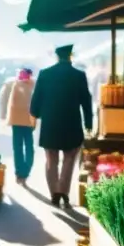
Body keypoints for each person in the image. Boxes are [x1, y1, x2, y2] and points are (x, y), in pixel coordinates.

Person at [30, 45, 92, 209]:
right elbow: (86, 101)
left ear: (57, 57)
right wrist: (89, 123)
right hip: (71, 122)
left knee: (51, 159)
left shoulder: (45, 74)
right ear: (70, 56)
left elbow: (35, 101)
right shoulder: (79, 75)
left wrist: (35, 114)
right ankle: (63, 192)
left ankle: (54, 194)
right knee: (69, 158)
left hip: (50, 122)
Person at [0, 67, 36, 185]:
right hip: (27, 121)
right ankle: (23, 172)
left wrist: (3, 115)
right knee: (28, 147)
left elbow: (2, 97)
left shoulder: (13, 82)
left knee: (18, 147)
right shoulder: (33, 84)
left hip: (17, 120)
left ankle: (20, 173)